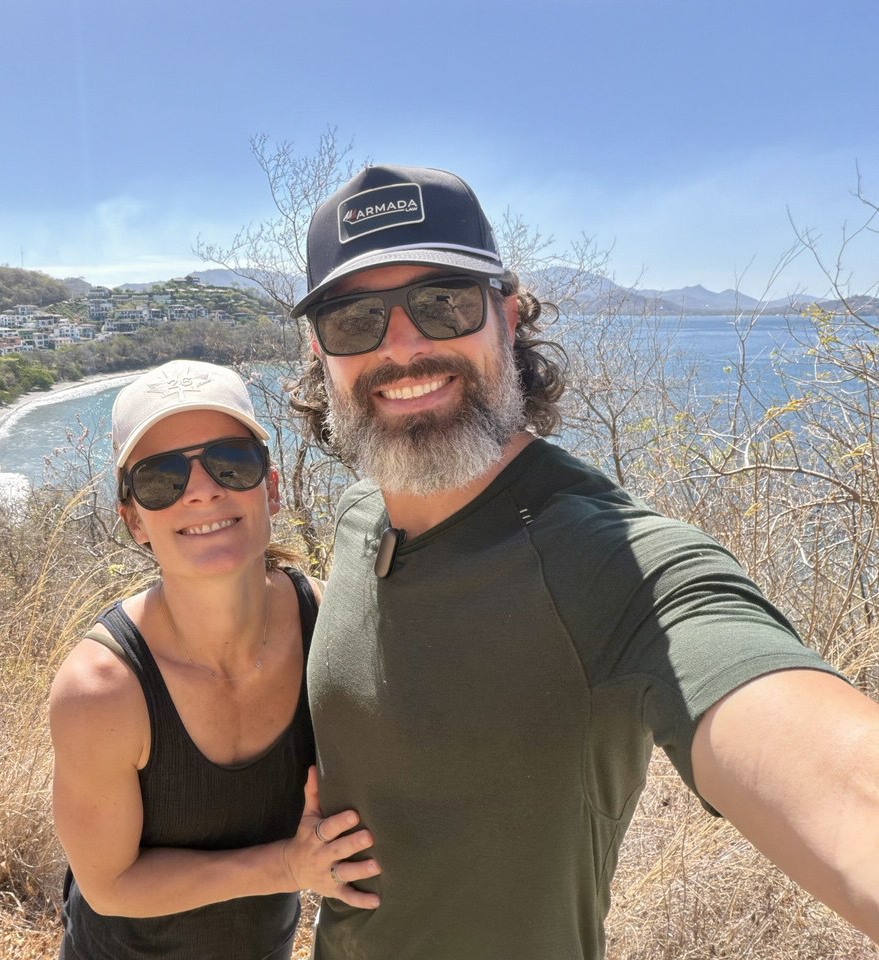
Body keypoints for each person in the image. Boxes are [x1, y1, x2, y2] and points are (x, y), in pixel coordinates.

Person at [285, 164, 879, 958]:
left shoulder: (613, 563)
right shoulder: (362, 514)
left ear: (506, 315)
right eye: (354, 319)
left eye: (442, 302)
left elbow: (836, 773)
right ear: (323, 354)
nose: (403, 344)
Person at [49, 359, 381, 960]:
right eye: (161, 478)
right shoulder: (102, 690)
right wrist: (286, 866)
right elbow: (110, 886)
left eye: (232, 461)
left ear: (271, 487)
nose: (202, 490)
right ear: (133, 521)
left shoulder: (325, 627)